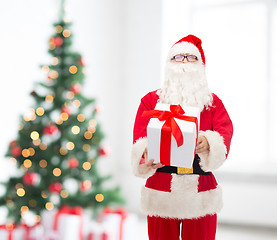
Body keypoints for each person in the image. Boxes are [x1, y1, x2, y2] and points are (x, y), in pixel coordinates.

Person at [131, 35, 233, 240]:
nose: (184, 62)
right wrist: (146, 154)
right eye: (178, 57)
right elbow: (139, 139)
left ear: (200, 64)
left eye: (190, 57)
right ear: (169, 63)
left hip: (200, 189)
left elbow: (225, 133)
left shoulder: (213, 104)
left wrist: (210, 142)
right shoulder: (150, 101)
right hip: (161, 185)